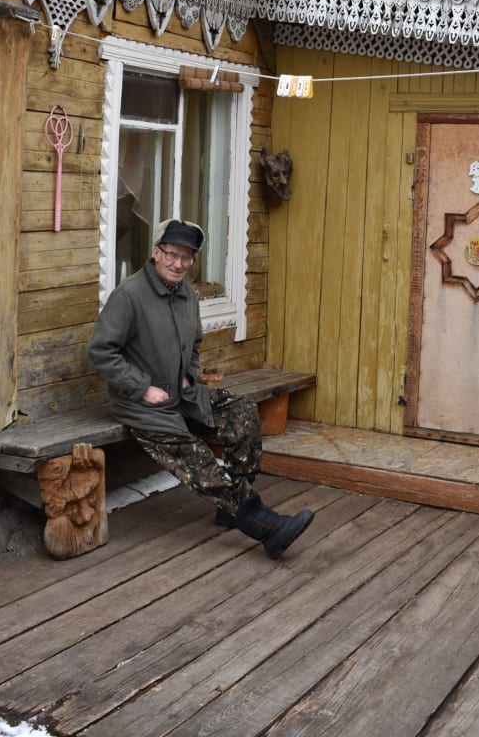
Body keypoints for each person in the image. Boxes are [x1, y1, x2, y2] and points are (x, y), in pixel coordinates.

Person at [87, 218, 314, 559]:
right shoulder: (129, 295)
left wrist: (189, 376)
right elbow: (100, 352)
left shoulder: (187, 295)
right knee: (196, 456)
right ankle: (265, 527)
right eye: (172, 255)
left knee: (242, 413)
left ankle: (230, 507)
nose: (179, 264)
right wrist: (142, 388)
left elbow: (194, 344)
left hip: (183, 394)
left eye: (187, 257)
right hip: (143, 406)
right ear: (156, 253)